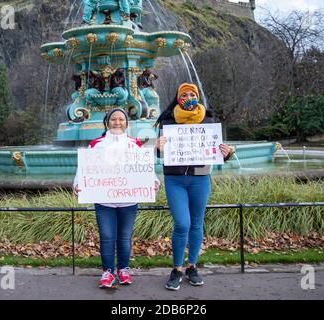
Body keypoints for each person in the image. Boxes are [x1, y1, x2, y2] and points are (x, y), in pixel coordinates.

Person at [155, 83, 234, 291]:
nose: (188, 97)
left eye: (192, 94)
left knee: (197, 224)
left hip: (200, 179)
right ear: (178, 98)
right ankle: (177, 269)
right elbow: (160, 153)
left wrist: (225, 153)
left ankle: (192, 266)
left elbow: (217, 151)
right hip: (175, 179)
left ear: (197, 97)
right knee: (182, 223)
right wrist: (158, 148)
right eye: (184, 95)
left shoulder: (208, 120)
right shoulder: (167, 120)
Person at [74, 108, 160, 288]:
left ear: (127, 123)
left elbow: (145, 168)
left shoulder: (135, 144)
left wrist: (154, 182)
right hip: (104, 199)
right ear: (107, 122)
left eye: (121, 119)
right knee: (106, 236)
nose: (117, 122)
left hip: (128, 200)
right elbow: (83, 168)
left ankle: (123, 269)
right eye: (114, 119)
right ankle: (107, 272)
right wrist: (77, 184)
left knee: (125, 236)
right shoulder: (96, 144)